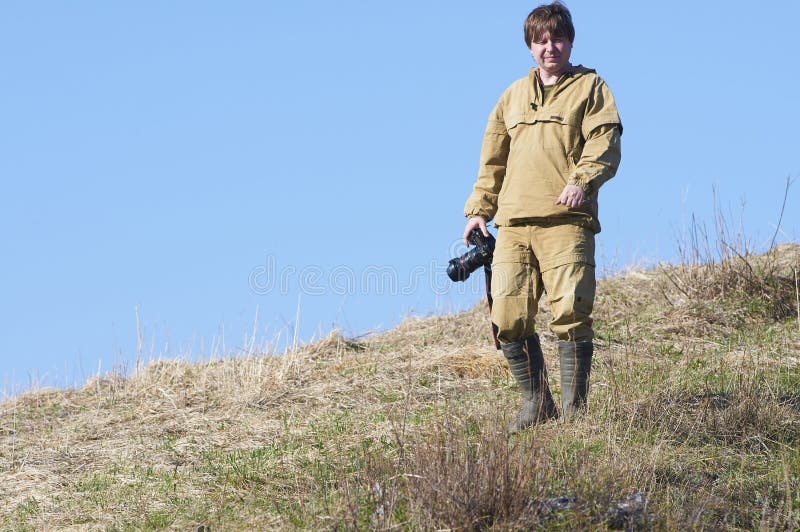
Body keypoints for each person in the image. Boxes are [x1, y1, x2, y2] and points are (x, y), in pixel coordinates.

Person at [462, 2, 622, 431]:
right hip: (513, 224)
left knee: (570, 311)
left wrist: (583, 182)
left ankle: (574, 412)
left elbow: (604, 141)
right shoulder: (512, 95)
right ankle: (536, 402)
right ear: (530, 46)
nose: (550, 47)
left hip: (566, 219)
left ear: (570, 41)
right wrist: (479, 212)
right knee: (508, 319)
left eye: (557, 39)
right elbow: (492, 160)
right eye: (541, 41)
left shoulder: (590, 87)